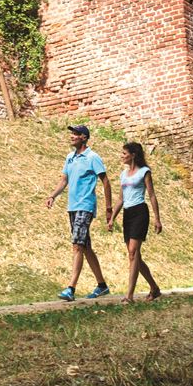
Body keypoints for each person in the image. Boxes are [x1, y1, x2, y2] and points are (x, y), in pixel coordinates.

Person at [46, 124, 113, 302]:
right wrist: (53, 195)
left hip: (86, 206)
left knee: (77, 245)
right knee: (85, 247)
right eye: (72, 134)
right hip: (72, 207)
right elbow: (64, 179)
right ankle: (102, 286)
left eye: (75, 134)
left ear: (84, 137)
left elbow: (106, 182)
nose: (72, 136)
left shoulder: (92, 157)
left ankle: (71, 288)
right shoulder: (70, 158)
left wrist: (108, 208)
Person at [108, 141, 162, 304]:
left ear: (133, 155)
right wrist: (112, 218)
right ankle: (154, 288)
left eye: (124, 153)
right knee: (134, 256)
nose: (121, 156)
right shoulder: (123, 175)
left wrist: (157, 219)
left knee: (133, 252)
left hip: (140, 212)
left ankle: (129, 296)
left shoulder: (145, 172)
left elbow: (152, 195)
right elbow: (120, 198)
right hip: (128, 213)